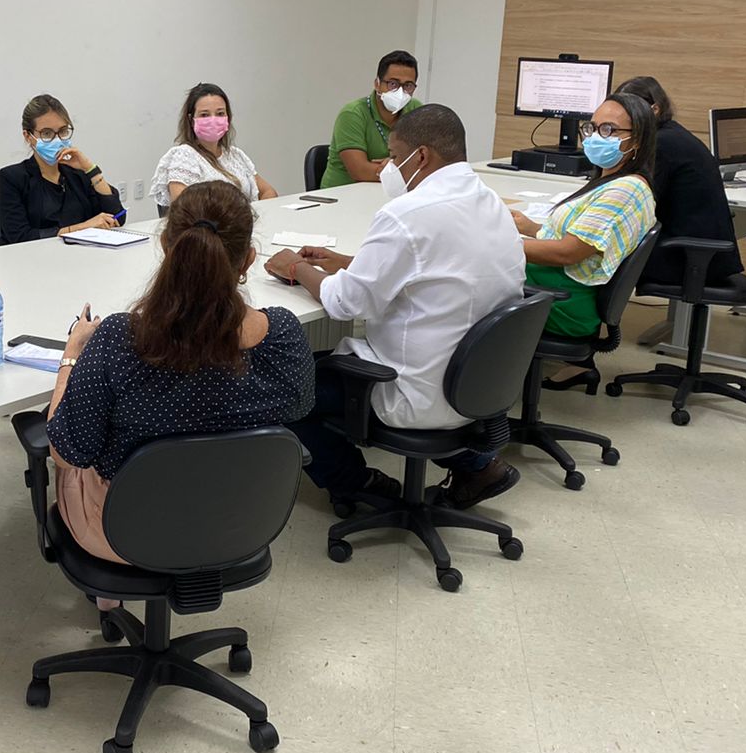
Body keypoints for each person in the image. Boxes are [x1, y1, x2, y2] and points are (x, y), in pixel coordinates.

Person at [267, 105, 525, 514]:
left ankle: (355, 482)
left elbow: (344, 303)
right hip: (477, 385)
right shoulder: (489, 203)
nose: (388, 166)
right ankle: (478, 465)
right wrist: (349, 263)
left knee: (280, 385)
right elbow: (438, 270)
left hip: (411, 391)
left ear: (420, 156)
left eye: (393, 155)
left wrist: (295, 268)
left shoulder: (407, 214)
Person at [44, 181, 314, 565]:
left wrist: (71, 357)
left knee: (67, 453)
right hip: (239, 526)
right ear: (249, 260)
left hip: (124, 535)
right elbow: (300, 406)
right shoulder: (283, 334)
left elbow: (67, 453)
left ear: (166, 247)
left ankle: (114, 587)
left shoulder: (120, 339)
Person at [511, 93, 658, 388]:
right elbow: (580, 241)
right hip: (560, 289)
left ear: (637, 140)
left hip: (561, 301)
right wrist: (533, 228)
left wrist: (497, 245)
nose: (595, 137)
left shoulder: (625, 191)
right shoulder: (613, 181)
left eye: (609, 130)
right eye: (591, 128)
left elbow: (568, 252)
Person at [615, 76, 743, 287]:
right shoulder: (672, 134)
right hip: (702, 251)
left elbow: (640, 201)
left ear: (655, 109)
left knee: (599, 253)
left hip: (685, 256)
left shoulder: (662, 143)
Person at [0, 94, 125, 243]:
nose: (57, 140)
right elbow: (20, 237)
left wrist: (90, 168)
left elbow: (117, 218)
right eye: (47, 133)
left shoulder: (77, 173)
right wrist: (83, 228)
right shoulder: (11, 178)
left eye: (63, 131)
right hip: (32, 256)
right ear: (28, 136)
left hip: (81, 254)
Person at [150, 83, 278, 208]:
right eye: (204, 115)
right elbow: (184, 209)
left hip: (247, 221)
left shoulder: (235, 155)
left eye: (220, 113)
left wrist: (254, 213)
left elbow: (268, 191)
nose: (213, 120)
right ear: (190, 120)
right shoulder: (184, 157)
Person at [319, 51, 423, 188]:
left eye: (408, 85)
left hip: (390, 191)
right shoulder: (353, 114)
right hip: (342, 194)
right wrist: (401, 168)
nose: (400, 92)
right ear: (377, 84)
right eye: (393, 84)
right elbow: (360, 171)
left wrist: (391, 169)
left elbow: (426, 161)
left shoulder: (416, 110)